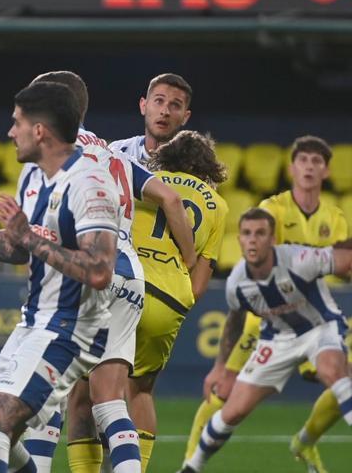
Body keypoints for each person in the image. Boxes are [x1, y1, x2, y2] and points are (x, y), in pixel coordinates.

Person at [0, 81, 120, 473]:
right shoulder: (33, 177)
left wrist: (29, 238)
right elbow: (20, 248)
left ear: (39, 131)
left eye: (16, 122)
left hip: (71, 329)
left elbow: (100, 271)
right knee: (0, 430)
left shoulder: (91, 183)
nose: (9, 131)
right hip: (32, 322)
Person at [26, 71, 196, 473]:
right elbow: (171, 198)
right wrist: (186, 265)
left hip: (86, 270)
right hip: (132, 277)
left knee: (53, 389)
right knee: (112, 399)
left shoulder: (54, 145)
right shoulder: (110, 151)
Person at [183, 135, 348, 473]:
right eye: (303, 160)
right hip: (266, 323)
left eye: (317, 162)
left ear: (326, 172)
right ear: (291, 168)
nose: (309, 168)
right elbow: (255, 279)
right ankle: (190, 464)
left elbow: (341, 261)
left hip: (313, 318)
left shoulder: (335, 217)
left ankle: (306, 441)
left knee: (339, 376)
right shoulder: (273, 210)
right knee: (223, 395)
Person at [126, 131, 228, 472]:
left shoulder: (143, 180)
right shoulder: (218, 205)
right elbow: (199, 283)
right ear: (208, 166)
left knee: (90, 391)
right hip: (169, 299)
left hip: (123, 288)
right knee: (140, 392)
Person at [110, 73, 192, 164]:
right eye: (159, 101)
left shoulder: (194, 165)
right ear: (143, 106)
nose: (165, 112)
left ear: (185, 116)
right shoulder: (116, 152)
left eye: (175, 105)